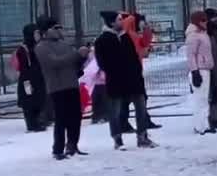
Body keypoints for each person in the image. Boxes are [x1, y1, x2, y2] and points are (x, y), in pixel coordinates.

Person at [97, 11, 157, 149]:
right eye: (119, 20)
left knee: (141, 106)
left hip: (134, 79)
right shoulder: (103, 40)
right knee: (115, 110)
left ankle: (142, 136)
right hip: (116, 81)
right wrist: (116, 71)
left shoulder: (126, 37)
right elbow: (103, 63)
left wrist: (136, 72)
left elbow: (135, 57)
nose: (121, 22)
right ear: (111, 22)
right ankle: (117, 139)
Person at [33, 17, 90, 159]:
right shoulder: (41, 47)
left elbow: (73, 63)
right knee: (61, 119)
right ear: (46, 31)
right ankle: (58, 149)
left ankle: (72, 144)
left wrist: (82, 57)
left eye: (59, 28)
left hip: (71, 84)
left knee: (75, 117)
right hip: (57, 87)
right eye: (55, 28)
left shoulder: (64, 44)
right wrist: (75, 54)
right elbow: (54, 63)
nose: (59, 31)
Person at [12, 23, 49, 132]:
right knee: (29, 102)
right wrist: (28, 83)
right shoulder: (23, 49)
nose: (38, 35)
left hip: (39, 80)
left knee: (39, 100)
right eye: (36, 33)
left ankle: (39, 121)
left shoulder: (39, 47)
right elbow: (24, 70)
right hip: (28, 81)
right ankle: (32, 124)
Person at [185, 10, 216, 134]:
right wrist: (194, 71)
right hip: (199, 70)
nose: (205, 22)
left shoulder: (203, 33)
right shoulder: (193, 35)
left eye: (206, 19)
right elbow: (190, 55)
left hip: (205, 68)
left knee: (204, 99)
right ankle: (199, 126)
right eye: (202, 20)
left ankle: (204, 124)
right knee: (200, 99)